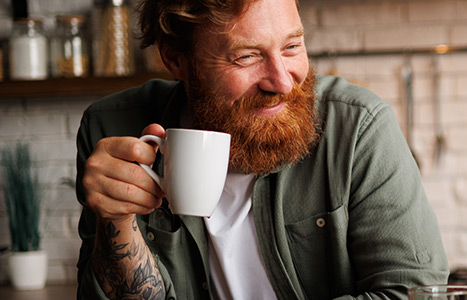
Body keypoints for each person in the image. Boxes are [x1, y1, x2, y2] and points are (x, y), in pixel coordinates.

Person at [74, 0, 448, 299]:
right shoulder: (114, 134)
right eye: (246, 56)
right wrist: (116, 221)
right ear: (176, 59)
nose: (283, 81)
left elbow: (415, 294)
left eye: (292, 47)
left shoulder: (357, 127)